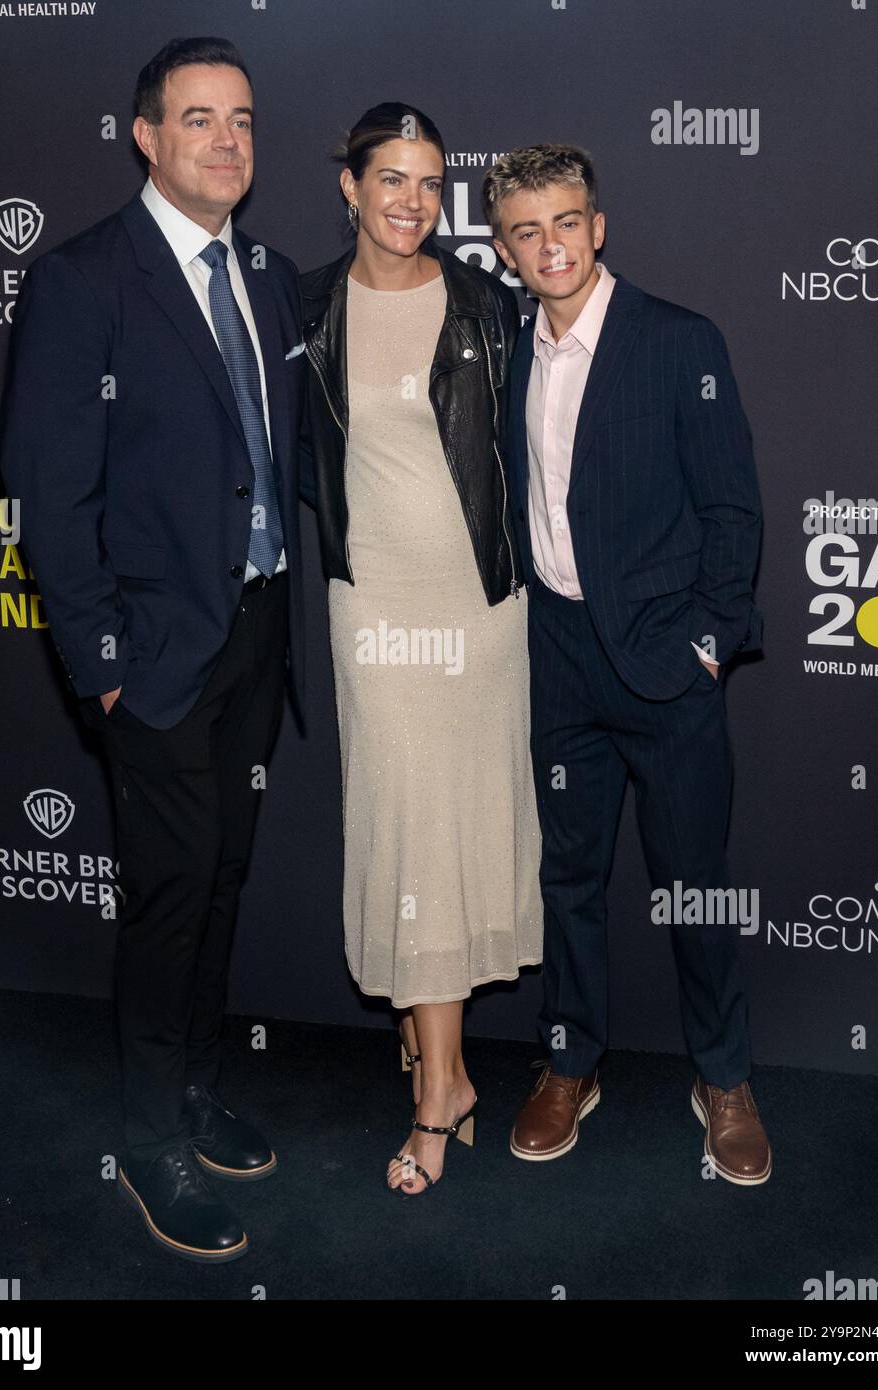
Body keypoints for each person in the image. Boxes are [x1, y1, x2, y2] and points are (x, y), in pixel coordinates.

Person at [0, 37, 309, 1260]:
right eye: (196, 120)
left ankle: (189, 1091)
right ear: (145, 137)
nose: (225, 142)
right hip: (156, 652)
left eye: (240, 120)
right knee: (170, 898)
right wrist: (105, 658)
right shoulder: (87, 277)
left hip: (258, 630)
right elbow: (44, 487)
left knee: (224, 879)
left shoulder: (269, 274)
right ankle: (147, 1138)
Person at [483, 144, 772, 1184]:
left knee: (693, 886)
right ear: (506, 247)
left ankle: (722, 1077)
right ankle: (570, 1063)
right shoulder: (506, 349)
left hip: (663, 664)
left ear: (596, 226)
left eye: (565, 222)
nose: (548, 245)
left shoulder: (675, 341)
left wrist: (703, 644)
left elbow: (732, 512)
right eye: (525, 230)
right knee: (566, 880)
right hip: (556, 656)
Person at [300, 104, 542, 1195]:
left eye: (427, 182)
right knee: (398, 824)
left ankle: (439, 1087)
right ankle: (428, 1049)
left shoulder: (488, 305)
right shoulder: (303, 305)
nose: (409, 200)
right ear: (347, 186)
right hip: (370, 604)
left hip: (471, 609)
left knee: (440, 834)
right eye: (388, 178)